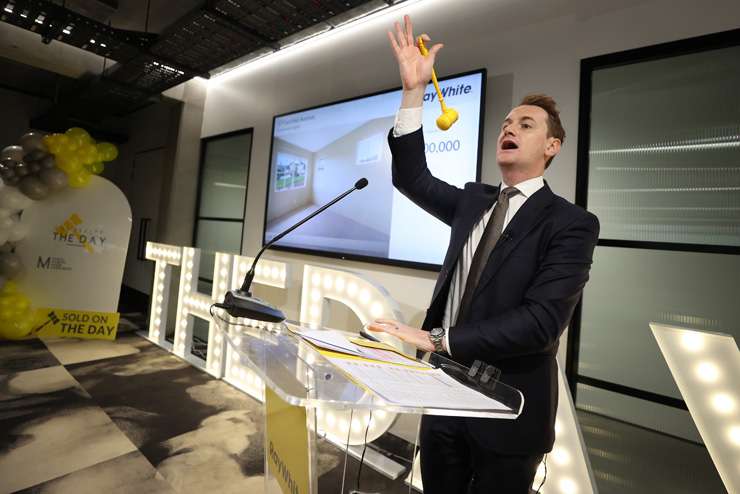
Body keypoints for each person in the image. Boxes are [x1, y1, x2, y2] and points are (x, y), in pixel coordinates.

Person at [367, 15, 600, 494]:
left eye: (526, 124)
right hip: (441, 398)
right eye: (506, 122)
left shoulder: (571, 223)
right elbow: (412, 179)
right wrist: (414, 93)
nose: (509, 128)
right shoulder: (474, 201)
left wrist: (438, 339)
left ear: (551, 146)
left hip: (507, 410)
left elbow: (540, 325)